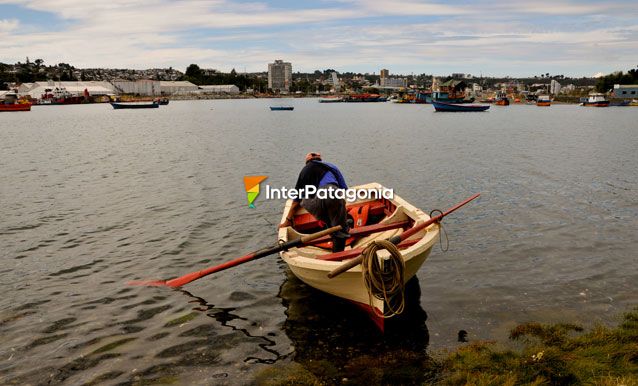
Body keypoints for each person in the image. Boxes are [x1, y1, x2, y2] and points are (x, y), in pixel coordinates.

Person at [279, 152, 351, 252]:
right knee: (340, 228)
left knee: (304, 200)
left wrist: (288, 220)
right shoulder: (331, 167)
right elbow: (343, 190)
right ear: (320, 160)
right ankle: (338, 254)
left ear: (307, 161)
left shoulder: (304, 172)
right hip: (333, 194)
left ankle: (328, 224)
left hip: (314, 204)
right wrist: (341, 211)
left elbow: (296, 201)